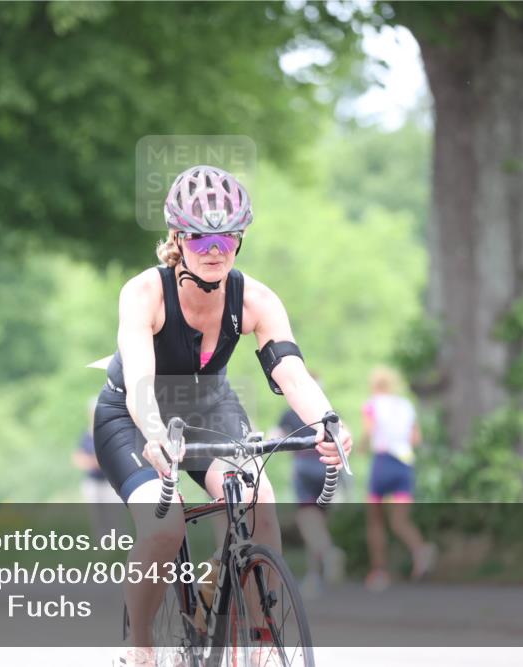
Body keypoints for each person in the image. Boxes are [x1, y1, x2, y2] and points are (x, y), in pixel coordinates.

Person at [93, 165, 352, 666]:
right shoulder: (144, 293)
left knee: (258, 498)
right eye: (200, 238)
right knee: (165, 526)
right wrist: (155, 433)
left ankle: (257, 637)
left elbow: (291, 372)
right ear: (177, 238)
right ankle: (140, 641)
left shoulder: (255, 299)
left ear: (240, 239)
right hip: (133, 415)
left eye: (227, 237)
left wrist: (327, 420)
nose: (214, 250)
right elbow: (142, 380)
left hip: (208, 406)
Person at [361, 366, 435, 592]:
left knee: (375, 520)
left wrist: (362, 447)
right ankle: (420, 550)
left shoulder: (372, 404)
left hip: (383, 462)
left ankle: (379, 572)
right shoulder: (405, 405)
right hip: (404, 464)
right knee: (400, 521)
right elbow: (415, 438)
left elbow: (369, 431)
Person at [271, 389, 348, 601]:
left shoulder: (290, 412)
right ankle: (315, 577)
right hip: (329, 467)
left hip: (304, 465)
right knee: (317, 525)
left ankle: (328, 553)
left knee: (308, 521)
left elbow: (275, 435)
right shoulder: (327, 410)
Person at [72, 397, 121, 539]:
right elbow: (78, 458)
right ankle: (102, 545)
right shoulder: (86, 434)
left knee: (115, 517)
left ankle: (119, 543)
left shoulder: (111, 431)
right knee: (97, 518)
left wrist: (94, 461)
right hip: (93, 482)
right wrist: (93, 461)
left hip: (110, 483)